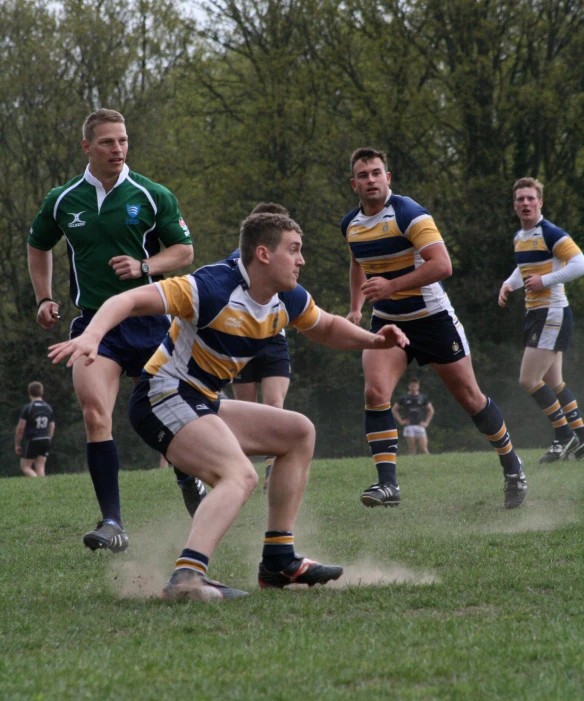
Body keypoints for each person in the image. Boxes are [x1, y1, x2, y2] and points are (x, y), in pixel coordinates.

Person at [48, 212, 409, 601]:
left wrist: (376, 341)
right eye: (294, 250)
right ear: (263, 254)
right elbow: (129, 298)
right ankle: (187, 578)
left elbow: (326, 327)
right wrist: (94, 336)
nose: (302, 260)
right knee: (239, 475)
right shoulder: (212, 287)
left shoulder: (285, 296)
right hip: (162, 396)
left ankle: (278, 561)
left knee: (298, 432)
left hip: (202, 400)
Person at [27, 108, 202, 553]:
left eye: (123, 141)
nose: (118, 149)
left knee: (171, 413)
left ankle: (188, 476)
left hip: (149, 322)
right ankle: (112, 523)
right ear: (87, 146)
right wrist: (44, 297)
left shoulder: (151, 193)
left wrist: (146, 266)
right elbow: (38, 244)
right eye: (107, 142)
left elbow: (183, 251)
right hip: (93, 325)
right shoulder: (63, 199)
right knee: (94, 414)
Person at [342, 147, 526, 510]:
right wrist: (354, 308)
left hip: (432, 320)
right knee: (375, 391)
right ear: (354, 184)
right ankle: (388, 484)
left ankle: (512, 465)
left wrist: (391, 286)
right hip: (388, 322)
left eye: (377, 173)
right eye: (363, 175)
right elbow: (357, 261)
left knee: (470, 399)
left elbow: (443, 266)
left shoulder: (409, 213)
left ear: (388, 177)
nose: (371, 180)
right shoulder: (351, 224)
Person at [498, 177, 584, 463]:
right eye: (520, 199)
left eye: (530, 198)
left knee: (528, 379)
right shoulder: (520, 237)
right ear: (514, 205)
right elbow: (524, 269)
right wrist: (509, 284)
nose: (525, 203)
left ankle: (563, 436)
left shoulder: (550, 232)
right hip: (538, 313)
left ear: (540, 202)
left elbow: (579, 263)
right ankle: (580, 437)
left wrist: (545, 279)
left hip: (551, 312)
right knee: (553, 380)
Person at [231, 203, 292, 491]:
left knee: (274, 408)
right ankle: (234, 473)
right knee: (244, 412)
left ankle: (272, 475)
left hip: (274, 342)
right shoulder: (236, 263)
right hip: (240, 343)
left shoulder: (287, 259)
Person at [15, 381, 55, 477]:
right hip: (46, 438)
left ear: (29, 393)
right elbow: (52, 425)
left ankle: (36, 482)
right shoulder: (48, 408)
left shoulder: (29, 408)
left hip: (33, 439)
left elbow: (21, 427)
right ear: (42, 393)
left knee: (25, 467)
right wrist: (48, 439)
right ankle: (43, 489)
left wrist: (17, 444)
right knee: (40, 466)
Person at [392, 378, 434, 455]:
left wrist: (427, 423)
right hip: (409, 426)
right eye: (412, 386)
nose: (413, 388)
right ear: (409, 386)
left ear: (418, 386)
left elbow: (431, 410)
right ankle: (412, 465)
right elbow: (394, 409)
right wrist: (401, 421)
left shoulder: (423, 397)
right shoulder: (404, 398)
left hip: (420, 425)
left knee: (424, 449)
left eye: (415, 386)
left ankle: (433, 464)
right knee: (412, 449)